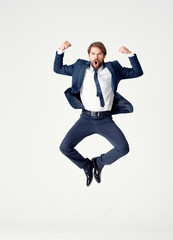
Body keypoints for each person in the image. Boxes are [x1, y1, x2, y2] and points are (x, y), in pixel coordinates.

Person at [53, 41, 143, 186]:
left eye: (99, 54)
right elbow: (57, 69)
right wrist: (61, 50)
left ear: (104, 56)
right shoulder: (79, 67)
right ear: (89, 55)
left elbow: (137, 72)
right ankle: (86, 166)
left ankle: (98, 162)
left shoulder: (113, 69)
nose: (96, 56)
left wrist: (129, 54)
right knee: (65, 148)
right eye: (93, 53)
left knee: (123, 148)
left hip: (105, 120)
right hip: (85, 119)